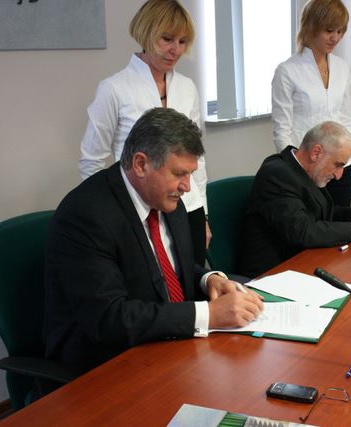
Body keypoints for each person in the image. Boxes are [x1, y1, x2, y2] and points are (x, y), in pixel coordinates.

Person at [45, 108, 264, 372]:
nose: (187, 187)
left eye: (190, 174)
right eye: (179, 174)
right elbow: (108, 319)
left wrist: (208, 280)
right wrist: (210, 314)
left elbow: (171, 271)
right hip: (107, 363)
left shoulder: (167, 199)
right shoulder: (86, 216)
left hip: (167, 345)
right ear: (141, 164)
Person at [78, 0, 210, 266]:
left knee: (192, 281)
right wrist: (111, 214)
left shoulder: (187, 88)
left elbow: (197, 159)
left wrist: (203, 214)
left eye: (182, 42)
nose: (175, 50)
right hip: (138, 210)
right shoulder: (114, 89)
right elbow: (91, 161)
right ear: (147, 33)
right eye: (167, 39)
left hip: (188, 206)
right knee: (151, 284)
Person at [239, 121, 351, 278]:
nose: (339, 175)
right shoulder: (277, 174)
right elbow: (303, 231)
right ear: (316, 152)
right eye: (338, 165)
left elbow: (324, 212)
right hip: (271, 275)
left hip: (302, 264)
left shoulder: (305, 171)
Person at [271, 0, 351, 207]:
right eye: (329, 30)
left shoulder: (342, 68)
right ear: (311, 26)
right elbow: (282, 131)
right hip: (306, 171)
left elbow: (347, 121)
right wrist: (294, 174)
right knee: (310, 225)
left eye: (340, 31)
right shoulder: (287, 71)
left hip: (340, 168)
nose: (335, 38)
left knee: (341, 222)